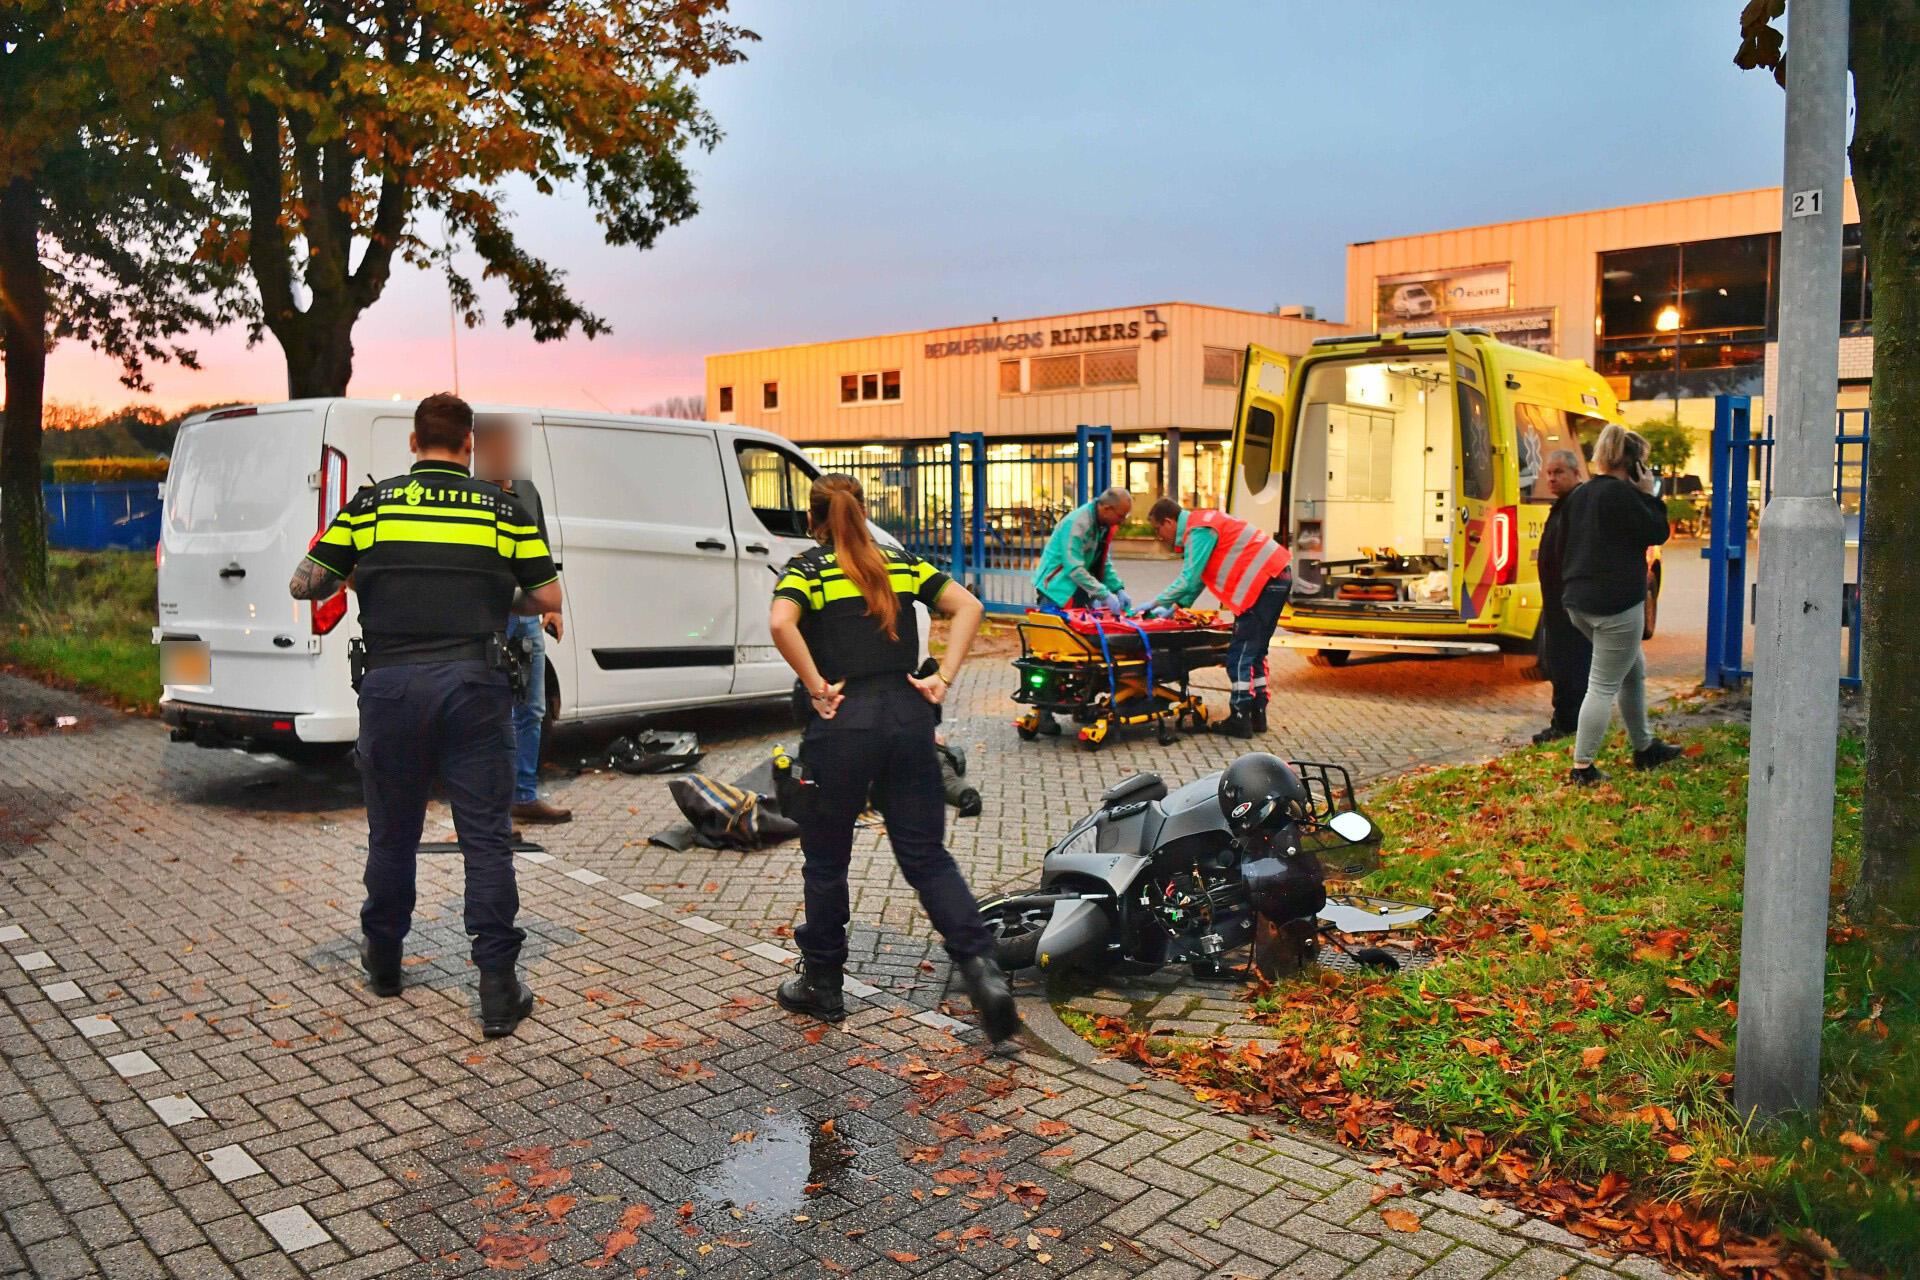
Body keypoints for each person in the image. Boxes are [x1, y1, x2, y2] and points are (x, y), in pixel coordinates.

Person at [291, 393, 561, 1037]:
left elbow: (304, 583)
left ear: (413, 442)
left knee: (392, 834)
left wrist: (360, 574)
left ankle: (385, 961)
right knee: (485, 838)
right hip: (475, 688)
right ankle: (497, 989)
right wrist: (493, 589)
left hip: (391, 689)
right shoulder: (504, 509)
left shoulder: (370, 506)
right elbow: (546, 594)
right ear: (469, 445)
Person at [768, 474, 1018, 1048]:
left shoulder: (808, 570)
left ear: (814, 521)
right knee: (926, 856)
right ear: (862, 513)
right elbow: (969, 606)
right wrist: (943, 678)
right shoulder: (900, 564)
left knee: (826, 860)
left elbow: (782, 622)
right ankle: (982, 968)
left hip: (843, 725)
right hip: (908, 721)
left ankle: (823, 983)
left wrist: (816, 686)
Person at [1556, 423, 1681, 786]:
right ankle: (1583, 767)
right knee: (1602, 685)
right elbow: (1657, 531)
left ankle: (1644, 746)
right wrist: (1649, 494)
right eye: (1644, 464)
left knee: (1632, 668)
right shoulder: (1625, 496)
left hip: (1578, 601)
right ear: (1634, 465)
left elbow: (1564, 545)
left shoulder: (1580, 494)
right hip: (1616, 604)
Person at [472, 420, 571, 825]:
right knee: (487, 711)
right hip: (487, 618)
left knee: (531, 708)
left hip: (526, 616)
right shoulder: (469, 495)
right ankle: (489, 805)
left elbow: (541, 550)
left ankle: (523, 796)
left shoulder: (527, 490)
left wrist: (554, 608)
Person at [1139, 498, 1292, 739]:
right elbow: (1200, 579)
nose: (1159, 536)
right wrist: (1177, 606)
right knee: (1256, 652)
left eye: (1158, 529)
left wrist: (1156, 603)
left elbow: (1189, 578)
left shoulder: (1197, 530)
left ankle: (1240, 719)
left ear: (1169, 521)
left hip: (1260, 585)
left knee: (1239, 655)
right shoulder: (1205, 522)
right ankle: (1257, 714)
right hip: (1278, 577)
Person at [1027, 485, 1133, 734]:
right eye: (1121, 516)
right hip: (1056, 591)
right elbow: (1074, 566)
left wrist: (1117, 588)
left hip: (1078, 591)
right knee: (1051, 654)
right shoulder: (1078, 523)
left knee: (1082, 653)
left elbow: (1102, 561)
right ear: (1106, 508)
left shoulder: (1102, 525)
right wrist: (1103, 593)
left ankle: (1080, 703)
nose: (1122, 521)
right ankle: (1044, 711)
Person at [1531, 449, 1592, 744]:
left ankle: (1568, 724)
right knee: (1559, 665)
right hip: (1556, 605)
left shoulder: (1577, 505)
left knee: (1571, 667)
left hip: (1569, 607)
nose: (1552, 478)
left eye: (1558, 472)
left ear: (1576, 473)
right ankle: (1564, 721)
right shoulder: (1562, 505)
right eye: (1549, 473)